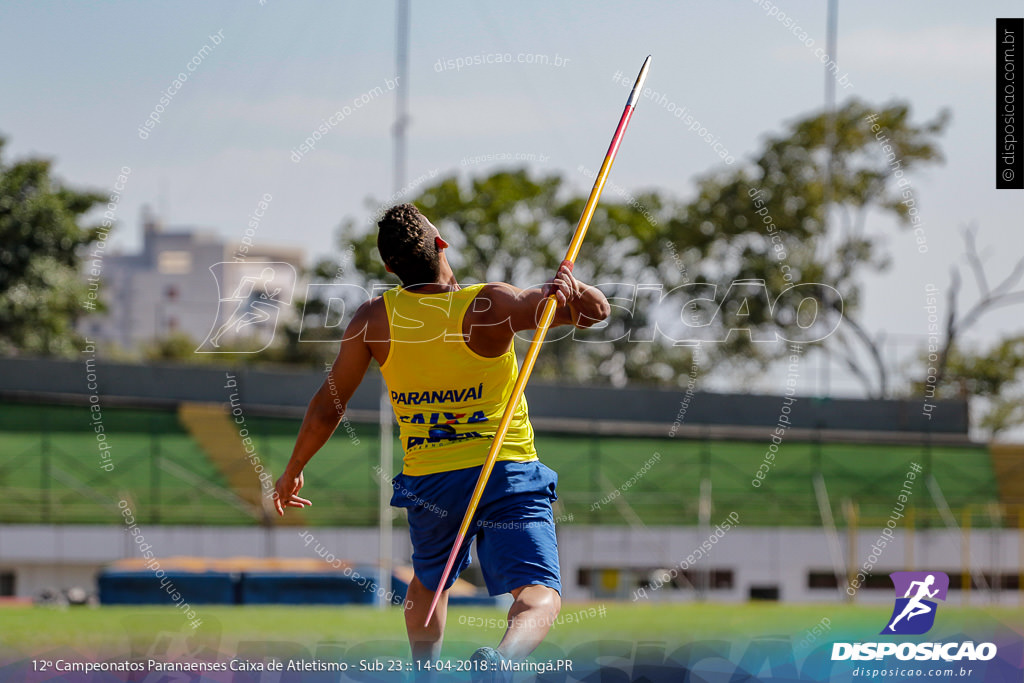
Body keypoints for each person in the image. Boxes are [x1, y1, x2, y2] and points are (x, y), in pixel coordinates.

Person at [274, 203, 610, 678]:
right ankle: (502, 662)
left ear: (390, 267)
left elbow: (328, 408)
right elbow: (595, 314)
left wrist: (293, 470)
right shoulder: (489, 303)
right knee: (539, 594)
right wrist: (577, 293)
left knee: (429, 586)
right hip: (505, 471)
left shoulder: (373, 319)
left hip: (431, 481)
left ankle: (424, 674)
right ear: (441, 244)